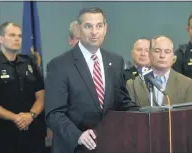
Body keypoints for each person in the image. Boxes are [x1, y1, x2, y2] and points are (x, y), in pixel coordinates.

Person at [44, 7, 139, 153]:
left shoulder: (116, 61)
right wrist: (78, 136)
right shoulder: (59, 65)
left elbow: (122, 101)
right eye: (88, 26)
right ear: (78, 29)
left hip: (109, 145)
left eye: (99, 26)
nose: (94, 32)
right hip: (74, 147)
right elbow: (54, 113)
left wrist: (144, 115)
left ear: (105, 29)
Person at [0, 22, 46, 153]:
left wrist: (30, 116)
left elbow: (41, 95)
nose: (17, 39)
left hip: (33, 133)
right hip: (5, 135)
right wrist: (17, 118)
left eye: (19, 36)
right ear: (1, 39)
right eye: (12, 35)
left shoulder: (30, 62)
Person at [126, 35, 192, 107]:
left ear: (173, 57)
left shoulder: (188, 84)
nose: (162, 55)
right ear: (150, 54)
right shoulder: (133, 84)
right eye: (157, 51)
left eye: (167, 52)